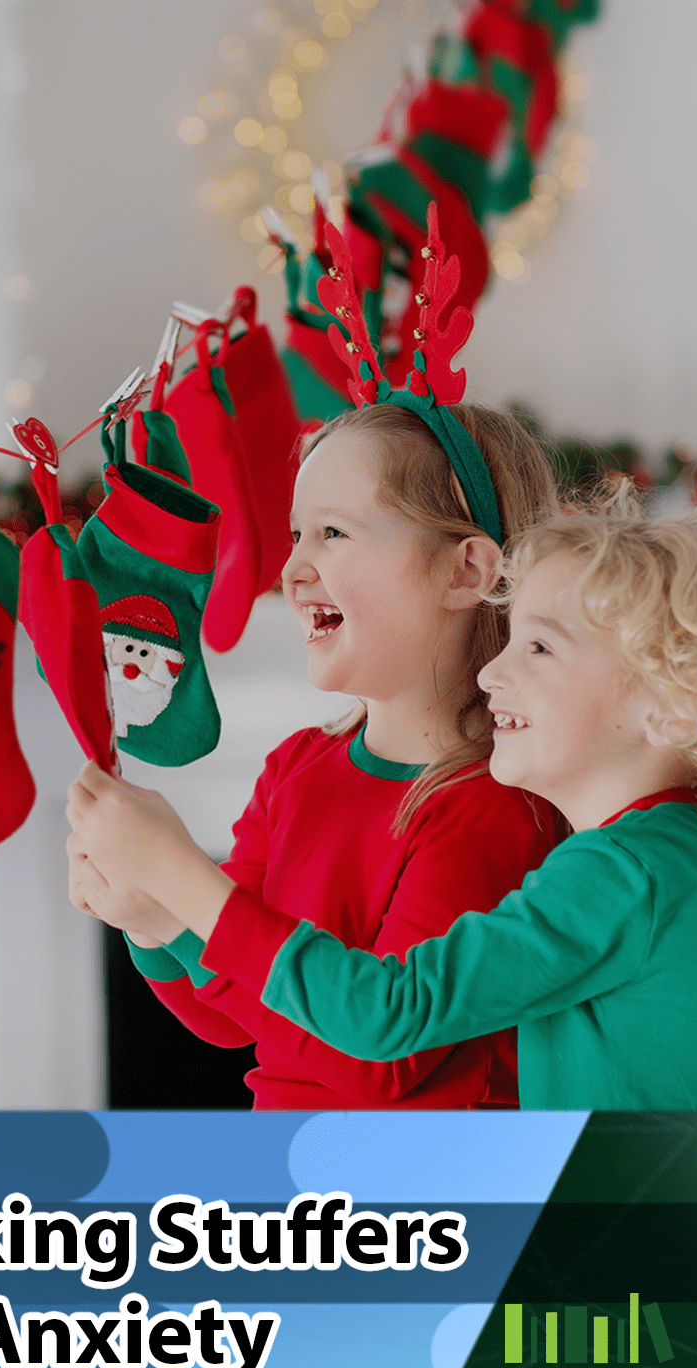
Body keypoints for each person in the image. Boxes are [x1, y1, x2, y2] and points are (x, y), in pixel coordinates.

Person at [69, 496, 697, 1110]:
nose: (492, 669)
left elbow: (391, 1013)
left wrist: (176, 871)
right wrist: (161, 917)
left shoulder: (624, 870)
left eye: (538, 647)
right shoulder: (685, 856)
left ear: (673, 700)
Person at [70, 389, 566, 1108]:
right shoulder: (295, 768)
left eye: (332, 533)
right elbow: (228, 1013)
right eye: (296, 533)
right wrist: (150, 917)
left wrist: (180, 878)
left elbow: (378, 1060)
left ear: (464, 571)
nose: (292, 567)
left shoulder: (492, 805)